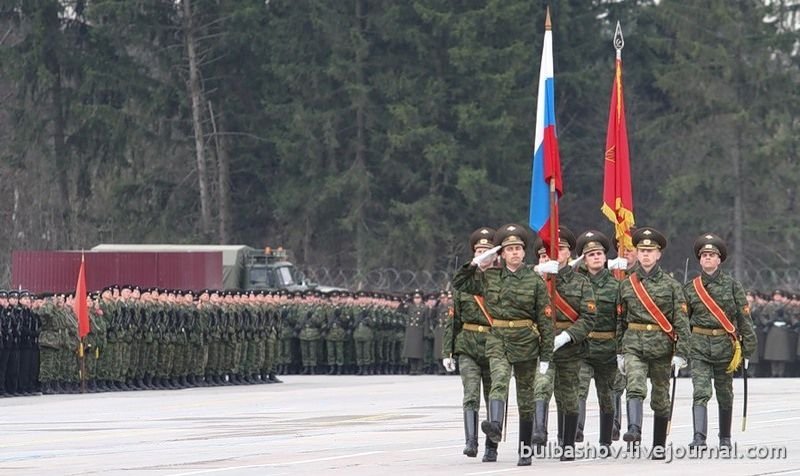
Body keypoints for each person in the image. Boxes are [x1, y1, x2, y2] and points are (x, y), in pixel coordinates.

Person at [453, 223, 553, 466]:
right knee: (498, 382)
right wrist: (475, 263)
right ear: (502, 253)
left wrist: (546, 355)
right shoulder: (490, 277)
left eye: (518, 248)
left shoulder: (534, 280)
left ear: (523, 251)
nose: (515, 253)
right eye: (509, 249)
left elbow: (545, 319)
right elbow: (460, 283)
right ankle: (495, 426)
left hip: (526, 341)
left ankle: (525, 449)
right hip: (498, 338)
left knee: (526, 397)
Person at [616, 227, 690, 459]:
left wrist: (681, 353)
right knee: (635, 385)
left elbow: (681, 321)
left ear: (659, 255)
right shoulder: (627, 285)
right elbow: (620, 320)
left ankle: (659, 445)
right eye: (642, 250)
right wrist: (620, 352)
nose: (646, 254)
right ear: (636, 253)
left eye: (651, 251)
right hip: (634, 345)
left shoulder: (671, 285)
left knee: (660, 397)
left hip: (661, 346)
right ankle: (634, 429)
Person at [684, 233, 757, 449]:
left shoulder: (733, 286)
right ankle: (699, 437)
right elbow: (683, 321)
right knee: (700, 391)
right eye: (704, 255)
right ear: (700, 259)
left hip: (725, 348)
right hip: (699, 346)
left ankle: (725, 437)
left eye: (711, 255)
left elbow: (745, 319)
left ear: (719, 259)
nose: (707, 258)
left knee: (725, 393)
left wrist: (748, 350)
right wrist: (680, 349)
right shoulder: (690, 288)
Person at [531, 226, 597, 461]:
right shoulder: (536, 280)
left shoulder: (581, 283)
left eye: (560, 249)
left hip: (570, 348)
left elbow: (589, 317)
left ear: (569, 253)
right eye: (550, 250)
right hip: (542, 346)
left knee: (568, 397)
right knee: (540, 387)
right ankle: (538, 433)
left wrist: (567, 336)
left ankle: (567, 444)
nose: (555, 253)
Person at [443, 227, 497, 461]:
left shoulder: (503, 280)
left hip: (495, 345)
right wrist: (448, 351)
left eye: (486, 250)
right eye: (478, 251)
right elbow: (453, 320)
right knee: (471, 394)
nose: (482, 255)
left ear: (495, 254)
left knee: (494, 396)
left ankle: (491, 446)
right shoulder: (464, 282)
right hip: (468, 345)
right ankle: (471, 441)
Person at [574, 230, 620, 449]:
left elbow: (621, 319)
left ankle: (605, 440)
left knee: (607, 394)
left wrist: (620, 349)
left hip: (607, 348)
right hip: (582, 346)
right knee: (578, 388)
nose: (595, 257)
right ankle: (577, 430)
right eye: (591, 254)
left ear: (605, 257)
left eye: (599, 254)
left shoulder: (616, 286)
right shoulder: (577, 284)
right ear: (584, 259)